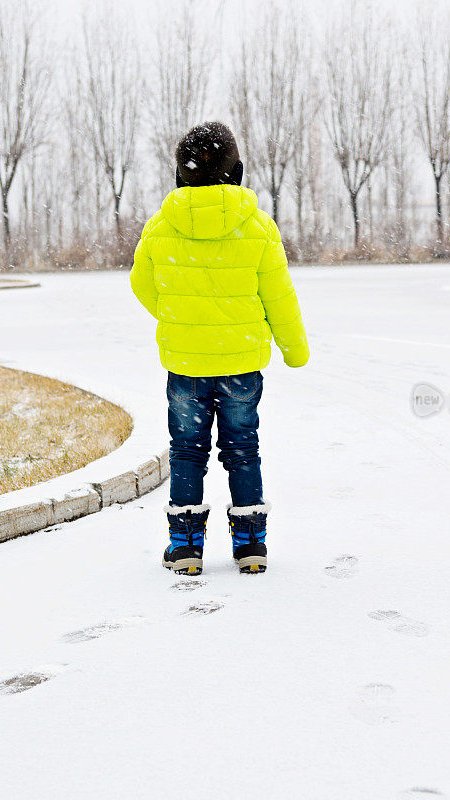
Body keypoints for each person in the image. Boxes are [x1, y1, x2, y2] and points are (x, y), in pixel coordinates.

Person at [130, 121, 309, 575]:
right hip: (242, 360)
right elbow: (279, 296)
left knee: (187, 450)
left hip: (187, 363)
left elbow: (143, 285)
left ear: (179, 176)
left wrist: (182, 317)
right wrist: (294, 347)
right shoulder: (257, 227)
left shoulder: (160, 226)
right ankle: (251, 547)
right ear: (239, 172)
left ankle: (186, 549)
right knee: (243, 448)